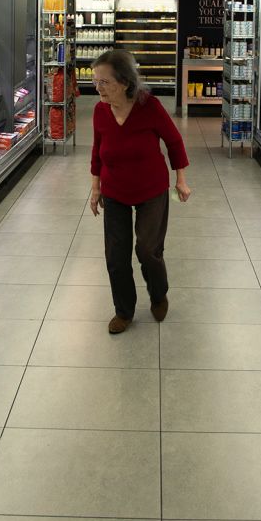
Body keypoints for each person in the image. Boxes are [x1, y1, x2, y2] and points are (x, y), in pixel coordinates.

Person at [89, 49, 190, 334]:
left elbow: (174, 141)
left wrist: (180, 179)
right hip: (115, 189)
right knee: (115, 255)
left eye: (104, 82)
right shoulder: (100, 111)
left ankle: (158, 294)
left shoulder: (150, 106)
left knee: (147, 249)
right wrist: (95, 187)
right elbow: (97, 150)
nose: (98, 88)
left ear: (123, 82)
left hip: (151, 188)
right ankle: (124, 310)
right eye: (95, 81)